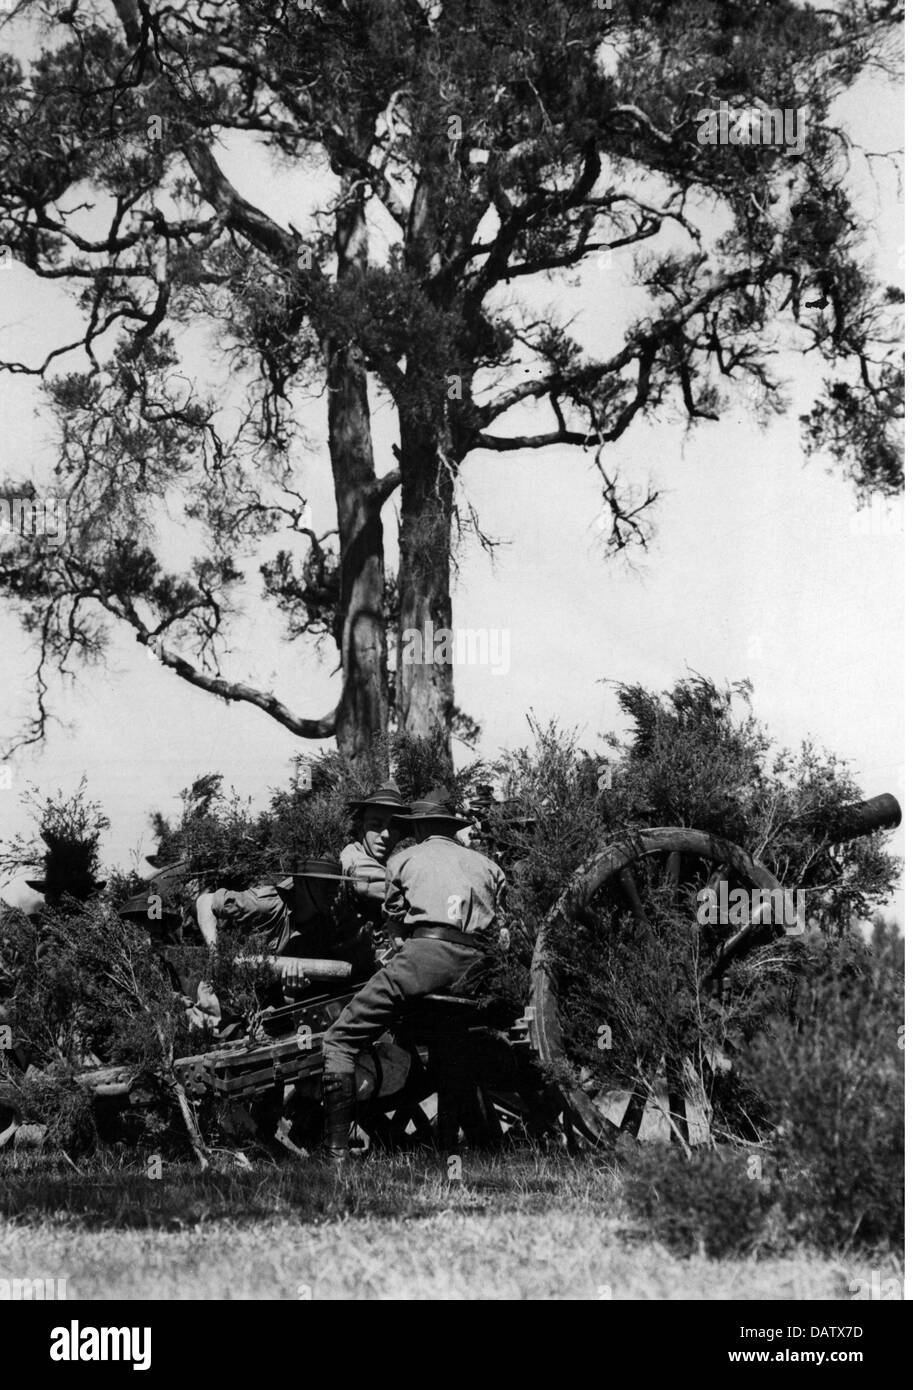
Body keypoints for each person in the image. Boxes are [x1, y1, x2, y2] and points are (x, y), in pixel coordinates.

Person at [320, 787, 507, 1161]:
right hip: (478, 969)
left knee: (338, 1038)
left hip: (424, 960)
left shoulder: (404, 860)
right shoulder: (489, 866)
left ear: (418, 827)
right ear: (452, 827)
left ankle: (336, 1153)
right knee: (453, 1042)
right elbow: (500, 926)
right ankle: (450, 1149)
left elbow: (395, 921)